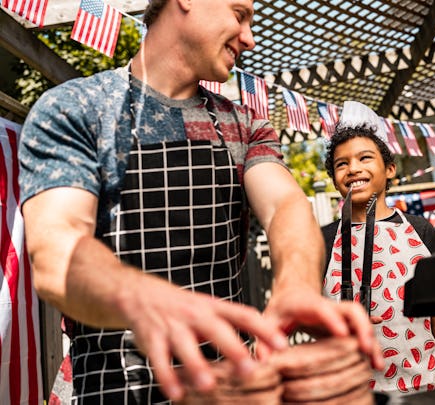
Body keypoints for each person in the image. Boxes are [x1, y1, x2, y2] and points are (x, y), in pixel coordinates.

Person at [18, 0, 383, 403]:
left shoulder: (244, 125)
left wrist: (295, 285)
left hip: (232, 389)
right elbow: (59, 253)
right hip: (112, 390)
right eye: (239, 14)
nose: (250, 38)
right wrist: (148, 298)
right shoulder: (75, 110)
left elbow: (285, 206)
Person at [321, 116, 435, 394]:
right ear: (334, 178)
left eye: (364, 158)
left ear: (389, 169)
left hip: (424, 388)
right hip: (352, 394)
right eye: (342, 163)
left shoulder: (420, 230)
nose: (353, 169)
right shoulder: (323, 240)